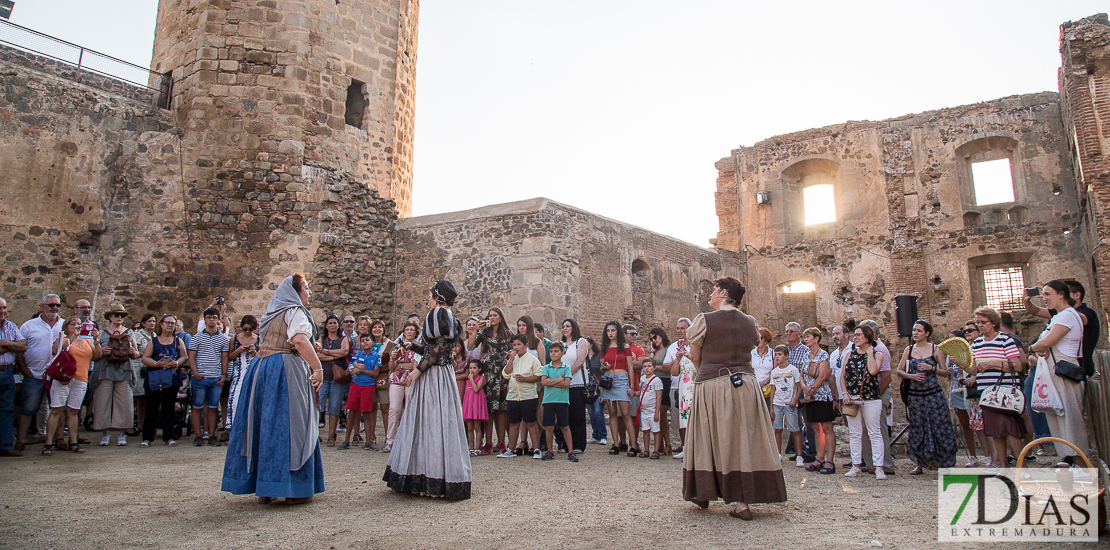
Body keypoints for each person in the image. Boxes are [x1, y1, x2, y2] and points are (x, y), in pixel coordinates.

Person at [682, 277, 787, 519]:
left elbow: (696, 357)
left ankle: (704, 491)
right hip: (747, 385)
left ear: (724, 292)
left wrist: (707, 369)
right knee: (742, 439)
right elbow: (748, 345)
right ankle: (742, 503)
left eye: (714, 290)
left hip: (714, 384)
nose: (711, 294)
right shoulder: (750, 322)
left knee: (709, 436)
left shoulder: (704, 320)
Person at [223, 274, 324, 505]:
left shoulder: (270, 314)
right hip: (285, 369)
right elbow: (298, 340)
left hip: (262, 368)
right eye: (306, 288)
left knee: (265, 424)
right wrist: (317, 367)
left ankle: (266, 487)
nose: (309, 293)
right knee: (291, 425)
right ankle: (292, 489)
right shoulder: (295, 311)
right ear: (295, 293)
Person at [383, 280, 472, 500]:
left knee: (429, 422)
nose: (428, 298)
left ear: (439, 297)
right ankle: (439, 476)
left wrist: (418, 370)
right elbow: (435, 347)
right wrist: (412, 346)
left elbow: (440, 349)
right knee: (439, 422)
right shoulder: (450, 317)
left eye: (431, 294)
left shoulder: (436, 314)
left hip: (433, 375)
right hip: (443, 374)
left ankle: (428, 477)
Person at [1028, 280, 1090, 465]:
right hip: (1052, 373)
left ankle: (1081, 466)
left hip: (1064, 372)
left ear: (1062, 294)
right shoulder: (1057, 317)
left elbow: (1045, 343)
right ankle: (1067, 460)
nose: (1044, 298)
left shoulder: (1068, 315)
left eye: (1048, 294)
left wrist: (1032, 347)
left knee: (1070, 421)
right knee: (1057, 420)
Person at [895, 320, 957, 474]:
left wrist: (932, 368)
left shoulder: (936, 350)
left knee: (939, 427)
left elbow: (945, 372)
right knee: (918, 429)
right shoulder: (908, 350)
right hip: (915, 396)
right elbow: (899, 371)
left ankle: (940, 461)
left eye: (919, 330)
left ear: (927, 333)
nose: (915, 333)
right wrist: (911, 376)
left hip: (933, 395)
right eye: (914, 330)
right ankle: (919, 463)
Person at [967, 307, 1024, 471]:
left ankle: (1022, 466)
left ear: (993, 323)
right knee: (995, 432)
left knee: (1011, 431)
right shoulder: (976, 343)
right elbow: (974, 370)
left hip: (1004, 392)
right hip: (987, 394)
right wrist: (960, 362)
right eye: (978, 323)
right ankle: (1003, 465)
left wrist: (992, 364)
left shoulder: (1005, 340)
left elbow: (1017, 365)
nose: (980, 326)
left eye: (983, 322)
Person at [43, 317, 101, 455]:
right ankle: (48, 443)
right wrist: (72, 337)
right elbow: (57, 350)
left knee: (73, 411)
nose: (77, 326)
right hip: (64, 378)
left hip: (81, 378)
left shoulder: (87, 341)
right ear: (66, 326)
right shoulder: (62, 339)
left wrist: (96, 340)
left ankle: (73, 441)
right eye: (73, 323)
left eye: (79, 324)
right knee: (56, 410)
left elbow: (96, 355)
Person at [15, 295, 63, 452]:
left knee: (57, 408)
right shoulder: (28, 326)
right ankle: (21, 440)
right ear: (42, 306)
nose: (54, 308)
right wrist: (24, 370)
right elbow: (19, 349)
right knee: (27, 409)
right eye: (51, 305)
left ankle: (59, 439)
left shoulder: (63, 325)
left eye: (57, 305)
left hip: (56, 376)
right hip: (34, 374)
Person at [840, 325, 886, 479]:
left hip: (871, 398)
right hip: (852, 398)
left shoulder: (878, 354)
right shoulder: (849, 354)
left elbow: (873, 371)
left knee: (874, 432)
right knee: (855, 433)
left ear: (868, 337)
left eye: (859, 334)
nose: (856, 337)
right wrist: (845, 393)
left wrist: (870, 353)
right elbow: (843, 376)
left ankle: (879, 467)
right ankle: (856, 465)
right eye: (855, 334)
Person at [93, 303, 138, 447]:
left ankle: (121, 433)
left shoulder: (129, 333)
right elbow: (94, 354)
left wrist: (132, 352)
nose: (120, 318)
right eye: (117, 315)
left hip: (124, 371)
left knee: (124, 403)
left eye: (122, 315)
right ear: (110, 317)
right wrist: (102, 351)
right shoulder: (102, 333)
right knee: (102, 402)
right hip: (106, 370)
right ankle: (105, 434)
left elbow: (137, 353)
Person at [469, 307, 512, 455]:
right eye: (490, 315)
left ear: (501, 317)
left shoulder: (508, 334)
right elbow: (470, 346)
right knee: (488, 409)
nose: (492, 318)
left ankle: (501, 442)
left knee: (501, 409)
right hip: (487, 372)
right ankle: (488, 442)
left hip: (501, 373)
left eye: (495, 315)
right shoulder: (483, 332)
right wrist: (475, 330)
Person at [140, 314, 187, 446]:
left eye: (173, 323)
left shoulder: (178, 341)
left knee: (168, 408)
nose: (170, 326)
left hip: (171, 379)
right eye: (167, 323)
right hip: (155, 378)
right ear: (161, 324)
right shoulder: (153, 341)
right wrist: (156, 364)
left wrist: (176, 364)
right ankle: (147, 437)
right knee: (151, 408)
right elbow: (145, 358)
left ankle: (169, 436)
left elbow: (184, 356)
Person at [946, 329, 990, 466]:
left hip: (969, 389)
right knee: (965, 425)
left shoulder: (971, 352)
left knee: (978, 424)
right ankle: (972, 456)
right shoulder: (950, 356)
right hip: (956, 389)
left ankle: (988, 455)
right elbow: (949, 376)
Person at [856, 319, 895, 474]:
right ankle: (871, 463)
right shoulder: (863, 349)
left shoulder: (881, 350)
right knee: (866, 430)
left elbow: (886, 377)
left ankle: (886, 464)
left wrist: (876, 396)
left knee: (878, 430)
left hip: (878, 393)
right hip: (866, 394)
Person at [188, 307, 230, 447]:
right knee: (197, 406)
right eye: (209, 317)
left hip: (216, 377)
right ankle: (198, 435)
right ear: (205, 319)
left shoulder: (223, 339)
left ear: (218, 320)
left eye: (214, 317)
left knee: (213, 407)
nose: (211, 320)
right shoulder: (196, 337)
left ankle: (212, 435)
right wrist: (195, 373)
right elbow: (191, 357)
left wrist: (223, 375)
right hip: (201, 376)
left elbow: (224, 358)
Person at [498, 334, 544, 459]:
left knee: (531, 422)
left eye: (519, 344)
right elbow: (506, 374)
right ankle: (511, 449)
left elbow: (539, 375)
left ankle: (536, 449)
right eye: (514, 345)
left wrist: (525, 379)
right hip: (513, 396)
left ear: (526, 346)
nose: (516, 347)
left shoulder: (532, 359)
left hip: (528, 396)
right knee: (513, 423)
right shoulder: (512, 359)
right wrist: (511, 360)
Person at [799, 327, 836, 474]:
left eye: (808, 337)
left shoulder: (823, 355)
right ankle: (819, 458)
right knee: (816, 428)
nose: (806, 339)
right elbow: (801, 374)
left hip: (822, 395)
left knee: (827, 428)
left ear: (816, 338)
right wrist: (804, 388)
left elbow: (823, 375)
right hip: (810, 396)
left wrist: (811, 389)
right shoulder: (805, 356)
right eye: (805, 337)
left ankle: (830, 460)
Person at [599, 321, 636, 457]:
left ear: (617, 332)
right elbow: (601, 367)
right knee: (612, 413)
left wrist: (631, 386)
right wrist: (605, 367)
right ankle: (615, 443)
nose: (610, 333)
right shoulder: (604, 347)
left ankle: (633, 444)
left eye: (613, 330)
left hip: (622, 379)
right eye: (608, 331)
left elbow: (630, 366)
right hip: (609, 380)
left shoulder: (624, 346)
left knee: (625, 414)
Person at [385, 321, 421, 453]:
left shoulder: (418, 347)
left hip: (411, 378)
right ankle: (390, 440)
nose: (409, 332)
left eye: (412, 329)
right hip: (396, 378)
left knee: (410, 409)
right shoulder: (396, 346)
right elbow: (392, 367)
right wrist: (393, 360)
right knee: (394, 409)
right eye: (407, 329)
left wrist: (401, 365)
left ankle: (409, 441)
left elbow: (414, 366)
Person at [783, 322, 816, 463]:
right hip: (789, 392)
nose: (788, 334)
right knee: (795, 424)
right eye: (787, 331)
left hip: (802, 391)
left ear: (799, 334)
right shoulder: (785, 351)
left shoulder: (804, 351)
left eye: (791, 331)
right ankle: (799, 452)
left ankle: (812, 452)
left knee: (808, 422)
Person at [341, 333, 380, 451]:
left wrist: (361, 370)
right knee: (351, 413)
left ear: (372, 342)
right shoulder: (356, 356)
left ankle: (369, 442)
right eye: (362, 341)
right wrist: (354, 367)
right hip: (355, 386)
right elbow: (348, 372)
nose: (365, 342)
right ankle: (346, 440)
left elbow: (375, 374)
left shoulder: (376, 356)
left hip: (368, 386)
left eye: (367, 340)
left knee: (366, 414)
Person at [664, 317, 696, 459]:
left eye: (682, 328)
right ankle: (685, 447)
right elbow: (672, 370)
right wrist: (676, 359)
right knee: (682, 418)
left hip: (695, 386)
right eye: (678, 328)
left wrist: (690, 356)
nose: (679, 331)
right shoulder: (673, 347)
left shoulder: (696, 346)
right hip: (680, 387)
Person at [316, 314, 349, 447]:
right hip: (324, 378)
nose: (332, 325)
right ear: (326, 325)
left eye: (335, 323)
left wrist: (326, 352)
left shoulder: (343, 338)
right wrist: (335, 355)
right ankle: (316, 434)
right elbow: (317, 355)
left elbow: (345, 352)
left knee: (334, 407)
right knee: (319, 407)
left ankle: (331, 436)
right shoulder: (322, 339)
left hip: (337, 378)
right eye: (330, 323)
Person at [540, 341, 577, 462]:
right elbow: (544, 382)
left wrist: (552, 381)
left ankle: (571, 451)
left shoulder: (566, 368)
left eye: (556, 351)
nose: (553, 354)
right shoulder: (546, 367)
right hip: (549, 400)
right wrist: (559, 380)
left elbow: (566, 384)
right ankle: (550, 450)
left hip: (562, 401)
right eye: (551, 351)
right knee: (549, 427)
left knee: (565, 426)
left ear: (562, 353)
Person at [0, 297, 27, 457]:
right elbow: (16, 346)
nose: (2, 311)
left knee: (7, 410)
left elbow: (23, 346)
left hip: (7, 372)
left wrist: (4, 343)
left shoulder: (11, 326)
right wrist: (11, 345)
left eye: (4, 308)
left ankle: (5, 445)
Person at [769, 345, 803, 465]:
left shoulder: (793, 370)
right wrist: (771, 406)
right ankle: (778, 454)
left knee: (795, 430)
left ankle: (799, 455)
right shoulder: (774, 372)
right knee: (777, 429)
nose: (777, 357)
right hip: (777, 404)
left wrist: (795, 401)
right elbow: (773, 389)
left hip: (789, 403)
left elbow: (799, 387)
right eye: (776, 355)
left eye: (780, 354)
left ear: (786, 356)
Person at [363, 320, 393, 451]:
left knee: (385, 408)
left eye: (379, 327)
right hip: (369, 378)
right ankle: (370, 438)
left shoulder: (389, 344)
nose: (377, 329)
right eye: (374, 327)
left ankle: (388, 438)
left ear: (383, 329)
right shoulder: (367, 343)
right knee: (371, 408)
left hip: (383, 378)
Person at [226, 315, 258, 433]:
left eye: (250, 329)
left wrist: (254, 351)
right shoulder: (234, 339)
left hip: (254, 372)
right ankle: (233, 428)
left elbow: (262, 357)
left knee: (252, 401)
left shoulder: (259, 339)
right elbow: (229, 357)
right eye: (245, 329)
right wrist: (239, 350)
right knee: (235, 400)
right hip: (239, 373)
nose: (248, 332)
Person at [561, 318, 589, 454]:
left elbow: (580, 361)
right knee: (565, 415)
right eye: (563, 326)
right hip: (563, 384)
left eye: (568, 326)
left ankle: (579, 444)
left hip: (576, 383)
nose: (565, 328)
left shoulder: (580, 342)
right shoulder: (562, 345)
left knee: (577, 414)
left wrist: (567, 374)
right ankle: (566, 443)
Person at [647, 327, 673, 454]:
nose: (653, 340)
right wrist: (652, 352)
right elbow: (649, 364)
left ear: (661, 336)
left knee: (662, 413)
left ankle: (667, 443)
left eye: (655, 337)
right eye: (651, 338)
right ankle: (661, 444)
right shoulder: (655, 351)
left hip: (666, 382)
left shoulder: (668, 349)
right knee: (656, 414)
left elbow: (667, 368)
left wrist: (654, 368)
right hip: (655, 383)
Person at [131, 313, 157, 438]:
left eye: (154, 321)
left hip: (152, 368)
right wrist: (145, 355)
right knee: (140, 397)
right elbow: (134, 352)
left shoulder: (155, 336)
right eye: (149, 321)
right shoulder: (137, 335)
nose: (152, 323)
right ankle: (139, 424)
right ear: (143, 323)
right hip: (140, 368)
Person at [636, 357, 664, 459]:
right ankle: (646, 449)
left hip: (652, 410)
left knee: (656, 430)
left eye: (649, 366)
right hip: (644, 410)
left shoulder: (657, 381)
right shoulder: (642, 378)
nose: (646, 369)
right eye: (644, 366)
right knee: (645, 430)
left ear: (654, 368)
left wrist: (657, 412)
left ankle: (656, 450)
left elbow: (659, 397)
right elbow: (641, 392)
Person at [583, 336, 607, 445]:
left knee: (598, 411)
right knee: (591, 413)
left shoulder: (599, 356)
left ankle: (603, 435)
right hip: (588, 388)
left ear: (591, 344)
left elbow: (602, 369)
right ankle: (595, 434)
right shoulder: (582, 357)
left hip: (598, 387)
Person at [462, 359, 488, 456]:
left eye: (474, 368)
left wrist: (471, 379)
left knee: (477, 427)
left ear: (479, 369)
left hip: (476, 402)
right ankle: (471, 448)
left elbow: (476, 389)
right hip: (469, 402)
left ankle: (478, 448)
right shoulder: (466, 379)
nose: (472, 370)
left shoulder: (481, 378)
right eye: (470, 368)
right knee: (469, 428)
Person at [752, 327, 774, 411]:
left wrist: (764, 382)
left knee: (769, 415)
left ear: (766, 340)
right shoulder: (751, 354)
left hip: (769, 388)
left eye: (760, 338)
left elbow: (774, 371)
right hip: (755, 388)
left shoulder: (772, 354)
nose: (758, 340)